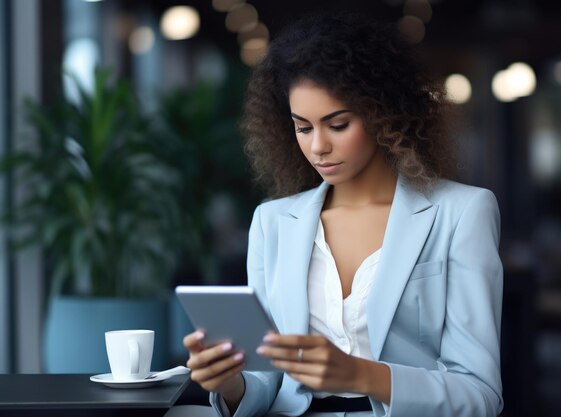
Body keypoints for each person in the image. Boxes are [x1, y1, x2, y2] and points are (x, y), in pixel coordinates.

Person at [182, 12, 503, 417]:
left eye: (337, 124)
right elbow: (267, 382)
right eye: (303, 128)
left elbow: (480, 394)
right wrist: (229, 382)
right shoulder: (273, 222)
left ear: (383, 115)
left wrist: (361, 375)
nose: (318, 147)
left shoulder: (461, 213)